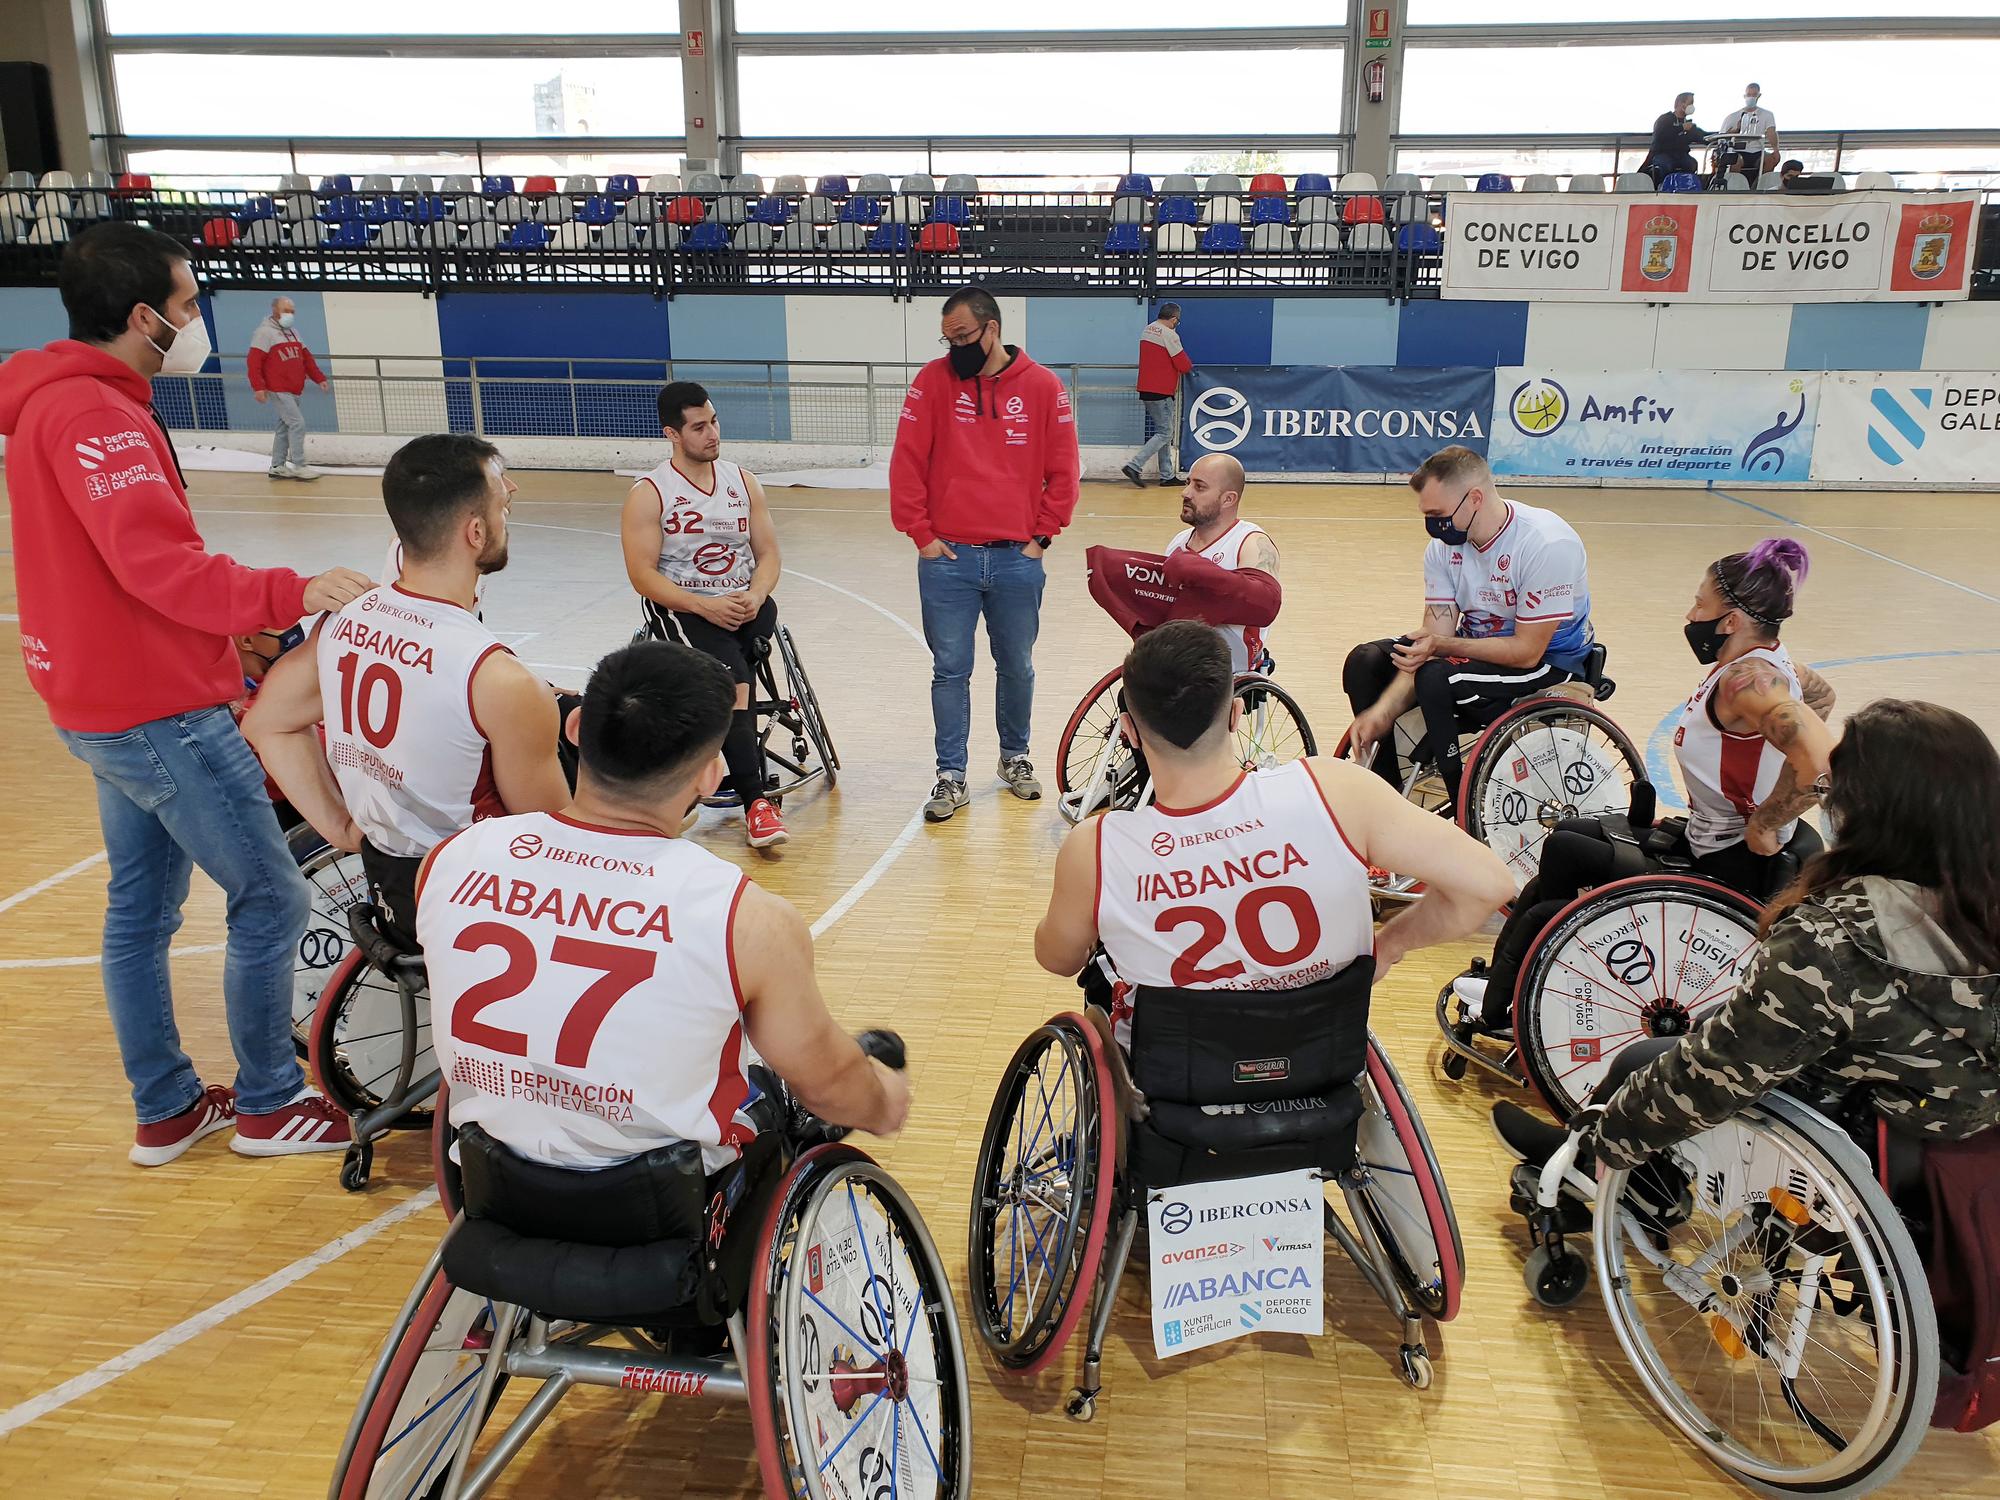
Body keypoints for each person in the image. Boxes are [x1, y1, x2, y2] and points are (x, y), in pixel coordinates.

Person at [0, 221, 372, 1165]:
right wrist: (286, 592)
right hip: (155, 707)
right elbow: (157, 565)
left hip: (99, 699)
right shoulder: (94, 417)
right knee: (271, 900)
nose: (197, 320)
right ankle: (268, 1101)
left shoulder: (62, 401)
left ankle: (166, 1108)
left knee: (141, 908)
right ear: (140, 317)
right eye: (187, 304)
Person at [419, 640, 910, 1172]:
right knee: (787, 1081)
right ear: (709, 774)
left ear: (576, 727)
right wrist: (884, 1101)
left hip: (492, 1179)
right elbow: (832, 1089)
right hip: (661, 1205)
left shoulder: (449, 859)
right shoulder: (747, 918)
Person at [1494, 698, 1998, 1174]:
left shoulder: (1833, 941)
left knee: (1648, 1060)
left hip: (1863, 1129)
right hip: (1960, 1119)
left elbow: (1714, 1076)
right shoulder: (1979, 895)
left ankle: (1588, 1160)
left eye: (1829, 790)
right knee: (1713, 1024)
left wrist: (1611, 1140)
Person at [1036, 622, 1514, 1048]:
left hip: (1173, 1089)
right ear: (1235, 715)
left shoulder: (1095, 846)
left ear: (1129, 733)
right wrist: (1388, 943)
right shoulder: (1335, 788)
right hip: (1319, 1069)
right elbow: (1489, 886)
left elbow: (1058, 959)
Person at [1449, 539, 1835, 1033]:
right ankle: (1517, 982)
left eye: (1701, 603)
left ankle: (1509, 1006)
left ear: (1731, 620)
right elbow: (1821, 696)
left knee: (1554, 889)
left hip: (1730, 857)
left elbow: (1821, 762)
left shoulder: (1751, 682)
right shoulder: (1773, 666)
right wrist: (1775, 781)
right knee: (1570, 842)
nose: (1691, 613)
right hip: (1711, 837)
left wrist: (1767, 819)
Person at [244, 434, 571, 947]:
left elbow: (267, 724)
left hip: (391, 879)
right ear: (476, 532)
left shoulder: (341, 623)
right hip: (479, 900)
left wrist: (339, 827)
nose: (511, 494)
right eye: (503, 500)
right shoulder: (500, 679)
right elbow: (552, 846)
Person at [890, 286, 1081, 824]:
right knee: (950, 670)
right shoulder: (931, 382)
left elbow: (1065, 470)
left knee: (1017, 666)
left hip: (1017, 559)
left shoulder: (1043, 387)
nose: (955, 348)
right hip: (947, 560)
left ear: (992, 329)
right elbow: (907, 463)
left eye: (964, 337)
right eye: (947, 339)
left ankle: (1014, 757)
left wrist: (1042, 537)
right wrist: (920, 534)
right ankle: (951, 774)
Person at [1343, 445, 1596, 808]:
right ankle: (1387, 793)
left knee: (1436, 676)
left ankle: (1463, 800)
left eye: (1438, 514)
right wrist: (1381, 713)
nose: (1432, 525)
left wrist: (1441, 648)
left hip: (1548, 663)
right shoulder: (1443, 548)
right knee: (1365, 661)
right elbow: (1436, 635)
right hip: (1479, 655)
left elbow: (1526, 652)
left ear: (1475, 498)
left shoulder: (1546, 543)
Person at [620, 381, 789, 849]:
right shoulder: (651, 493)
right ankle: (757, 802)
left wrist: (755, 594)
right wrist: (703, 605)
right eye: (699, 427)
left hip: (743, 602)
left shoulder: (742, 481)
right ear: (672, 434)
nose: (712, 433)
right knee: (734, 677)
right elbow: (642, 574)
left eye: (713, 421)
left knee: (746, 643)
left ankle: (722, 740)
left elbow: (769, 554)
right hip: (685, 608)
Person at [1163, 452, 1279, 674]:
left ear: (1228, 499)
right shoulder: (1178, 543)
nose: (1185, 493)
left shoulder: (1252, 542)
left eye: (1199, 487)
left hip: (1228, 670)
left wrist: (1200, 572)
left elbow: (1266, 603)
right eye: (1188, 483)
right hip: (1178, 661)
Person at [247, 295, 327, 482]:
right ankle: (299, 465)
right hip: (278, 388)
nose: (290, 315)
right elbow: (254, 362)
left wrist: (319, 378)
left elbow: (306, 358)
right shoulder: (264, 333)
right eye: (286, 311)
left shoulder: (294, 333)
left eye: (292, 311)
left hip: (295, 388)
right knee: (297, 423)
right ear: (275, 311)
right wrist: (258, 387)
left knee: (284, 426)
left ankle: (277, 466)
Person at [1122, 302, 1191, 488]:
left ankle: (1167, 475)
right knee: (1165, 432)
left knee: (1163, 432)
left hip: (1146, 388)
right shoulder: (1170, 334)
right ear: (1174, 319)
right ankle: (1134, 465)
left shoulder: (1148, 330)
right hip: (1162, 390)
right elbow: (1183, 365)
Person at [1717, 83, 1779, 186]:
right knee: (1734, 160)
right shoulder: (1732, 117)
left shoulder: (1767, 114)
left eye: (1754, 95)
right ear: (1744, 96)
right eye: (1749, 95)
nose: (1751, 97)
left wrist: (1776, 150)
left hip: (1758, 151)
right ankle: (1736, 187)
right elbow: (1722, 138)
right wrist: (1736, 129)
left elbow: (1771, 131)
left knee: (1771, 159)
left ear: (1759, 96)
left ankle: (1758, 186)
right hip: (1739, 151)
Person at [1644, 92, 1707, 183]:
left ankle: (1686, 187)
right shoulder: (1665, 119)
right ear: (1680, 103)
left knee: (1691, 164)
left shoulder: (1689, 125)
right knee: (1666, 165)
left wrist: (1721, 135)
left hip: (1681, 155)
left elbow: (1703, 136)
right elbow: (1661, 135)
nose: (1692, 106)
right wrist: (1681, 128)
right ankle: (1661, 187)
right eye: (1690, 103)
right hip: (1662, 154)